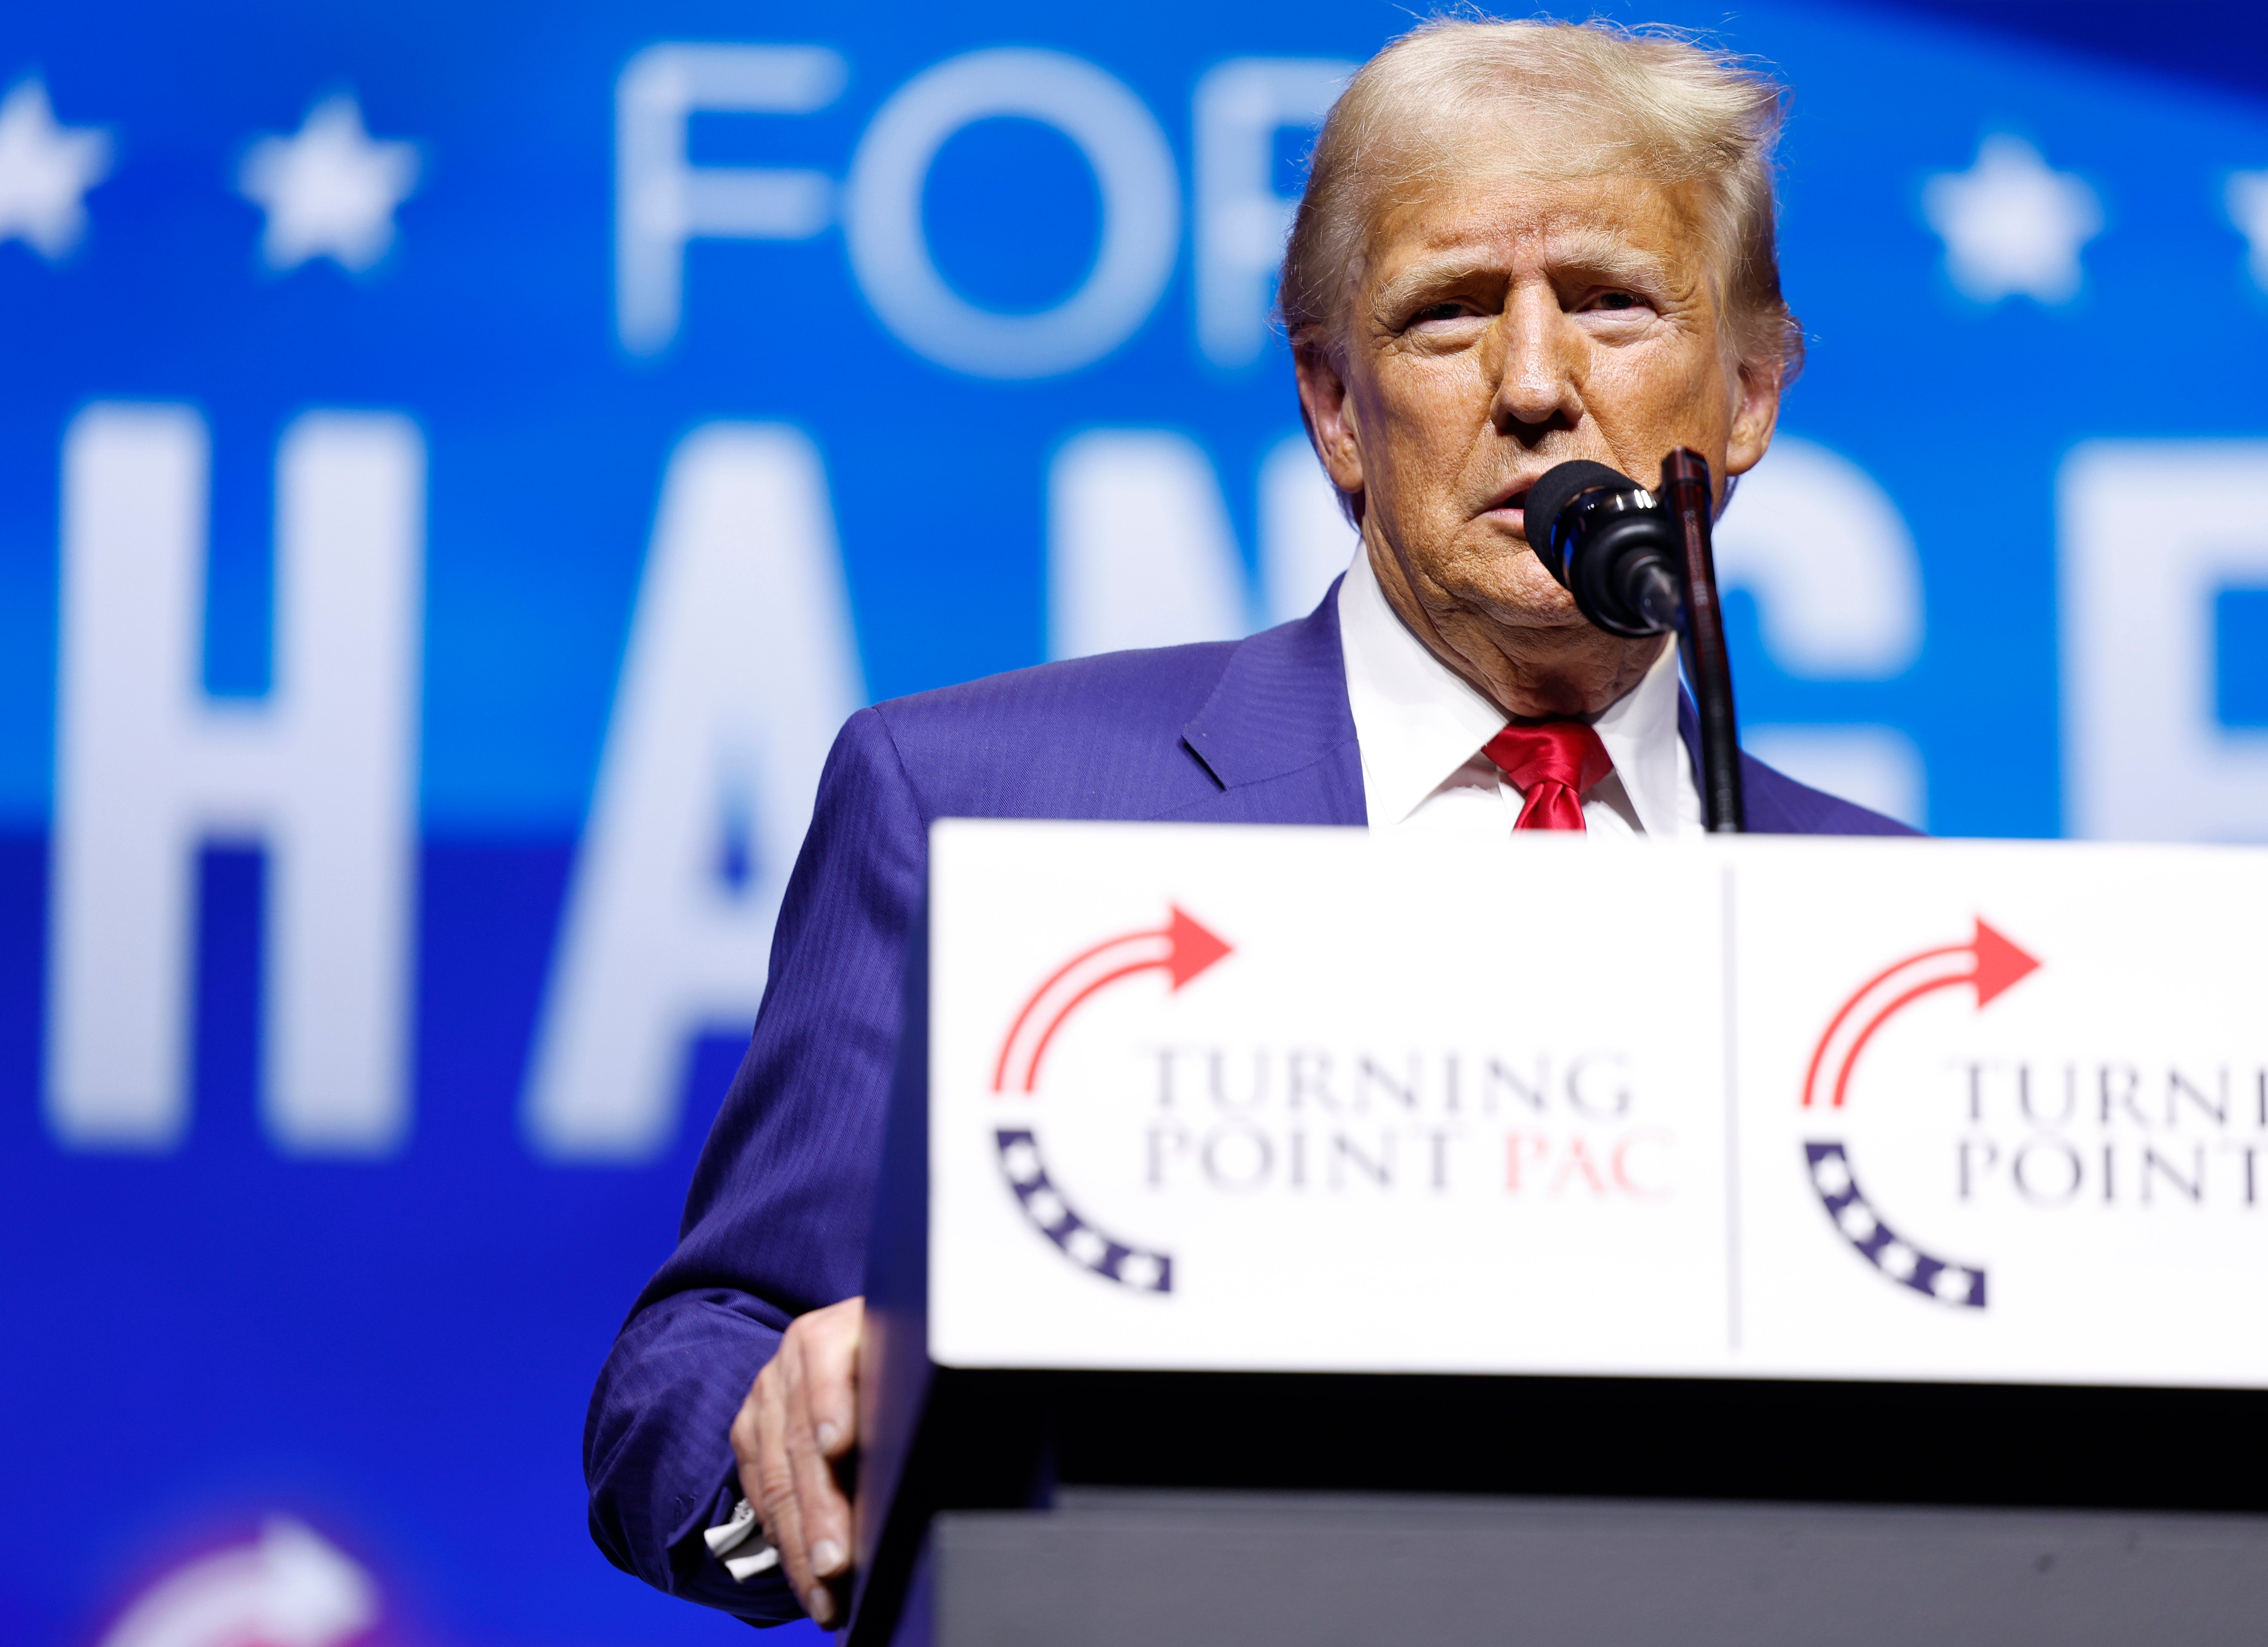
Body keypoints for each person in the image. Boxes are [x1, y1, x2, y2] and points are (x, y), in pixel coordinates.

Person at [586, 13, 1911, 1629]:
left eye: (1614, 303)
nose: (1537, 385)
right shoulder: (980, 807)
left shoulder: (1883, 929)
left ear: (1754, 389)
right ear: (1337, 410)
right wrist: (792, 1424)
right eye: (1447, 317)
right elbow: (691, 1364)